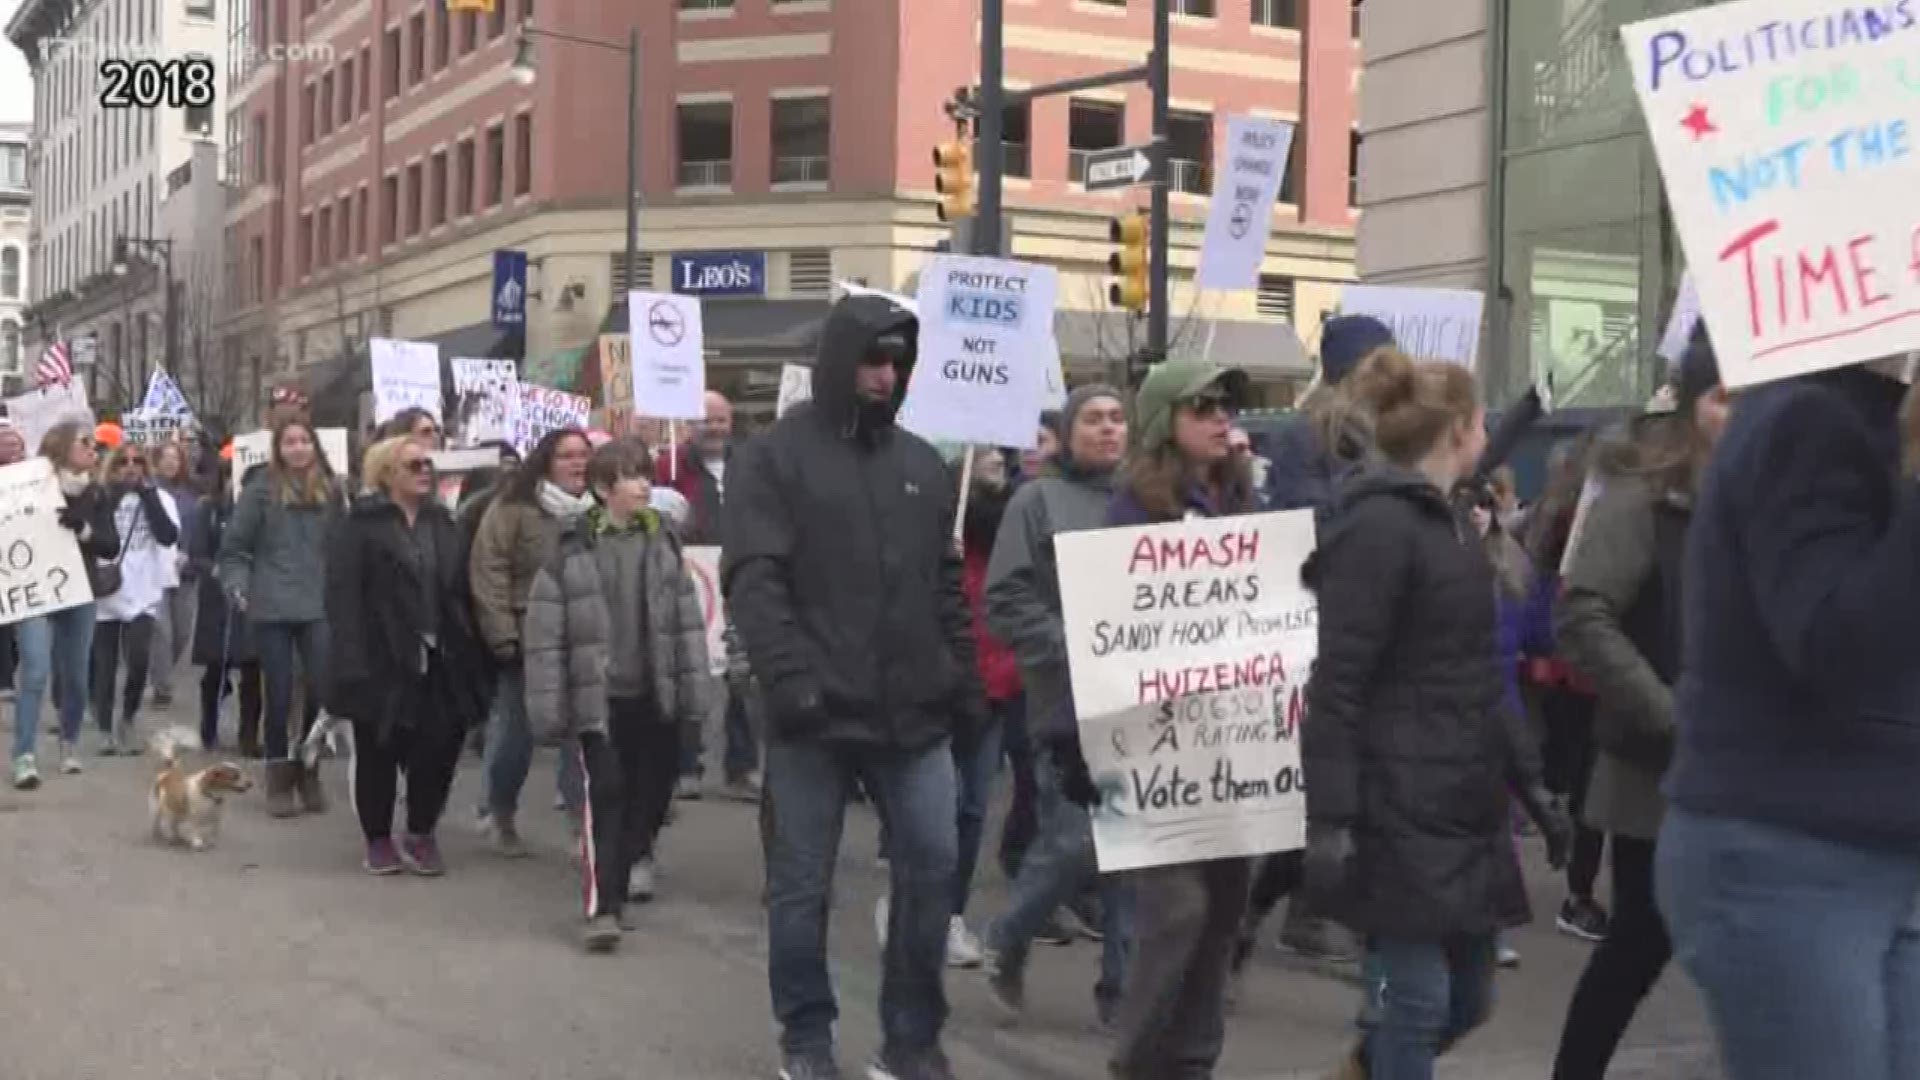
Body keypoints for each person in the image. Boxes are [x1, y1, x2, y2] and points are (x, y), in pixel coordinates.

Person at [724, 291, 984, 1080]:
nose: (886, 375)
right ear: (841, 363)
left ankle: (911, 1042)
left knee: (934, 868)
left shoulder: (922, 464)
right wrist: (789, 678)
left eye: (898, 363)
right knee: (802, 886)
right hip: (814, 715)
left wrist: (963, 677)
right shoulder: (773, 457)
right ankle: (807, 1038)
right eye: (873, 360)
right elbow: (755, 577)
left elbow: (946, 584)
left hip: (913, 714)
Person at [1300, 348, 1567, 1080]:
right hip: (1395, 804)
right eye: (1481, 418)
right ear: (1460, 429)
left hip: (1461, 799)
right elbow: (1339, 684)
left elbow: (1479, 673)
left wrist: (1533, 786)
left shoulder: (1450, 526)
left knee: (1469, 1000)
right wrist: (1330, 818)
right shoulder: (1379, 528)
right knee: (1415, 1005)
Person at [1656, 343, 1920, 1080]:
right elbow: (1839, 644)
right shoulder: (1805, 423)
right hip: (1790, 854)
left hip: (1873, 848)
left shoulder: (1861, 420)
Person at [1550, 337, 1726, 1080]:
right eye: (1726, 396)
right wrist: (1668, 713)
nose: (1744, 414)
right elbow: (1584, 613)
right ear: (1692, 404)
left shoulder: (1774, 489)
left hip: (1748, 769)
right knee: (1639, 945)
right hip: (1658, 771)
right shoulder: (1643, 493)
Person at [1102, 358, 1259, 1080]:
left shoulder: (1234, 500)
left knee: (1225, 908)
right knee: (1175, 913)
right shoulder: (1132, 510)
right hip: (1155, 736)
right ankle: (1136, 1063)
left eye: (1227, 405)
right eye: (1205, 408)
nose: (1223, 417)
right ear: (1169, 422)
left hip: (1235, 734)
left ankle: (1194, 1062)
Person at [978, 384, 1135, 1027]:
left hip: (1138, 702)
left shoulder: (1145, 500)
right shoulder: (1035, 502)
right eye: (1093, 419)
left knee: (1133, 851)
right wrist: (1073, 644)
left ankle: (1124, 995)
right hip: (1067, 704)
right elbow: (1006, 599)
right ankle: (1008, 937)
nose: (1108, 429)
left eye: (1118, 418)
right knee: (1073, 842)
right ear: (1068, 432)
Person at [1240, 315, 1394, 967]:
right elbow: (1292, 514)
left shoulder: (1388, 430)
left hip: (1372, 613)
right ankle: (1262, 915)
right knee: (1323, 788)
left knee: (1356, 785)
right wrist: (1363, 498)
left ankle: (1310, 912)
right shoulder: (1307, 433)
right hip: (1321, 617)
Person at [523, 440, 712, 948]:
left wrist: (695, 695)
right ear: (604, 489)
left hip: (655, 696)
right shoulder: (570, 549)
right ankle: (602, 908)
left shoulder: (665, 543)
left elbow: (688, 625)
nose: (644, 485)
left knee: (650, 799)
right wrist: (548, 707)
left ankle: (622, 874)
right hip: (598, 702)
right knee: (605, 796)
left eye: (646, 475)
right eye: (632, 476)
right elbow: (544, 635)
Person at [325, 435, 488, 876]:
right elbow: (344, 596)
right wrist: (350, 660)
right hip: (382, 656)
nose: (424, 471)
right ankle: (377, 836)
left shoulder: (444, 523)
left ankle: (421, 831)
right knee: (379, 748)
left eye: (427, 464)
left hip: (442, 657)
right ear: (386, 474)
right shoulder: (361, 526)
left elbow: (460, 588)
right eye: (413, 465)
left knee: (438, 747)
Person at [469, 427, 594, 854]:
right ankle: (498, 810)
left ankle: (585, 826)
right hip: (528, 637)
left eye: (583, 455)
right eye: (566, 456)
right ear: (545, 462)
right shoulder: (514, 508)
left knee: (586, 736)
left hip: (586, 639)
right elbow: (489, 569)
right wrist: (502, 633)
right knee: (515, 734)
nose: (578, 464)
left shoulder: (600, 509)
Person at [218, 419, 343, 817]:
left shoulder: (334, 492)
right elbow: (234, 548)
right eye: (290, 442)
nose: (299, 448)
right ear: (278, 449)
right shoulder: (261, 492)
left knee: (322, 690)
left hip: (319, 604)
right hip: (272, 604)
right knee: (280, 691)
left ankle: (308, 769)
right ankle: (277, 774)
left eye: (305, 440)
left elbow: (346, 546)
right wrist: (238, 585)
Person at [1521, 436, 1610, 943]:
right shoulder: (1574, 518)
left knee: (1575, 771)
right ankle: (1577, 890)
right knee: (1586, 781)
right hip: (1575, 657)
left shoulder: (1554, 514)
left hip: (1561, 659)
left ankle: (1575, 875)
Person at [941, 445, 1020, 969]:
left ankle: (949, 913)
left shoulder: (1016, 517)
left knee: (972, 807)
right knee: (933, 807)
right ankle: (914, 903)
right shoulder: (939, 517)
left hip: (997, 683)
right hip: (944, 683)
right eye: (982, 446)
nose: (993, 455)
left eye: (999, 446)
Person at [9, 422, 117, 786]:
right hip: (36, 593)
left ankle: (68, 742)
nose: (93, 448)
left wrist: (83, 528)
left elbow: (110, 545)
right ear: (60, 448)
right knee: (35, 671)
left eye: (94, 443)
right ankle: (24, 755)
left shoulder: (97, 494)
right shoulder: (27, 488)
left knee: (75, 677)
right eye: (84, 442)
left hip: (78, 592)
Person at [91, 444, 182, 755]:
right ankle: (104, 727)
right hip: (106, 589)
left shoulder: (160, 498)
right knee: (104, 666)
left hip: (143, 593)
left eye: (137, 462)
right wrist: (113, 494)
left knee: (139, 660)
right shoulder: (100, 496)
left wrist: (147, 495)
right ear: (113, 467)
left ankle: (127, 718)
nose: (131, 468)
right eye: (123, 462)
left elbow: (168, 535)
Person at [192, 461, 262, 755]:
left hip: (257, 597)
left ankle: (248, 736)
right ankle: (208, 728)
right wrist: (216, 569)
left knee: (254, 670)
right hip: (219, 600)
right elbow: (197, 553)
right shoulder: (211, 509)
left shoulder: (269, 512)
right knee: (216, 668)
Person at [148, 441, 201, 710]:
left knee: (181, 632)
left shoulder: (191, 495)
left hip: (186, 572)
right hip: (155, 571)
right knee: (162, 630)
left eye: (175, 458)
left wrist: (190, 554)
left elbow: (199, 530)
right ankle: (161, 685)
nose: (171, 463)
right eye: (165, 457)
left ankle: (162, 670)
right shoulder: (148, 492)